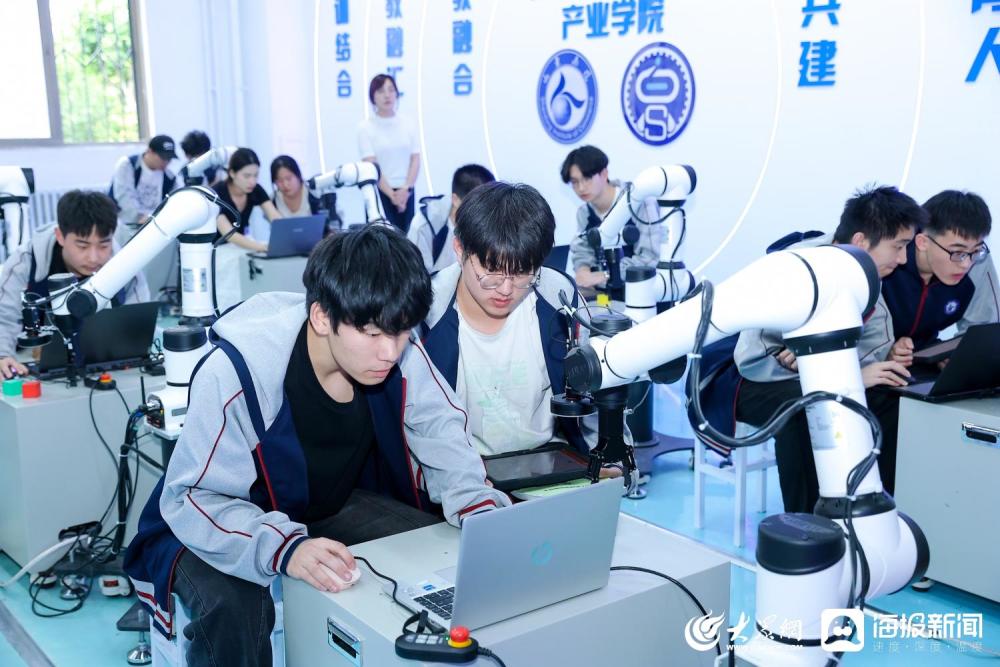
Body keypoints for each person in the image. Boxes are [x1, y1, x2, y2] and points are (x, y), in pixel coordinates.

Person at [124, 225, 509, 666]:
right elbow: (193, 496)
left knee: (433, 552)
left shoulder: (397, 346)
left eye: (402, 331)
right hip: (214, 519)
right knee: (236, 607)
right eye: (372, 333)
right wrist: (285, 548)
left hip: (321, 505)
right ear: (322, 317)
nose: (389, 351)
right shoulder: (236, 370)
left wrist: (476, 506)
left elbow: (441, 429)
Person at [734, 186, 927, 511]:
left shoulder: (865, 271)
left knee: (893, 399)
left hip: (826, 374)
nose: (903, 259)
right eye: (898, 246)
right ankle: (807, 525)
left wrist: (849, 371)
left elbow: (876, 346)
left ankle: (878, 509)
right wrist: (834, 372)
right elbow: (756, 357)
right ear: (861, 241)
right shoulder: (795, 267)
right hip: (759, 378)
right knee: (806, 410)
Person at [422, 181, 594, 457]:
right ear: (459, 249)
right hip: (461, 465)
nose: (505, 289)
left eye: (523, 272)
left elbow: (593, 391)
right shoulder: (425, 311)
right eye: (491, 270)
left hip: (550, 458)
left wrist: (603, 458)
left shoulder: (559, 298)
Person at [0, 191, 150, 378]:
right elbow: (4, 316)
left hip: (106, 361)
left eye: (104, 245)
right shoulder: (26, 262)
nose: (93, 258)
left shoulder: (126, 264)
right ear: (60, 236)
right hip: (34, 358)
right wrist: (2, 355)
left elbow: (137, 320)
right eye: (82, 246)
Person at [882, 190, 998, 364]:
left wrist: (957, 358)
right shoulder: (889, 257)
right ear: (923, 242)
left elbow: (983, 331)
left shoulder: (978, 261)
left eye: (976, 250)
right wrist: (883, 351)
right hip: (871, 364)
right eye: (957, 252)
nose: (966, 264)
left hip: (925, 361)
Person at [560, 145, 664, 291]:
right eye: (575, 182)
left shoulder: (638, 202)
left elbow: (650, 258)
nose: (581, 188)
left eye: (587, 178)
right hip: (603, 294)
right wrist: (583, 270)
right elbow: (582, 249)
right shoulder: (584, 213)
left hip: (642, 291)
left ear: (604, 174)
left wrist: (606, 275)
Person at [358, 74, 420, 233]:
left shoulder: (408, 123)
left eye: (391, 90)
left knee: (407, 239)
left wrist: (406, 190)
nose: (387, 95)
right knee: (380, 240)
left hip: (406, 193)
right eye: (380, 91)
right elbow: (372, 165)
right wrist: (392, 196)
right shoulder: (365, 127)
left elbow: (415, 159)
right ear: (372, 97)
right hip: (379, 193)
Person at [407, 164, 494, 274]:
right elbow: (416, 276)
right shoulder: (423, 227)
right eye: (477, 206)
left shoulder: (489, 220)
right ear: (455, 199)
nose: (485, 212)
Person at [212, 148, 282, 252]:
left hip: (241, 246)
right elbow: (229, 234)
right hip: (216, 249)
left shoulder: (255, 189)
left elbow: (276, 219)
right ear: (232, 173)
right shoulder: (217, 193)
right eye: (247, 176)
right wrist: (262, 247)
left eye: (256, 175)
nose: (252, 181)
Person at [109, 135, 178, 233]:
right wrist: (141, 217)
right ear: (150, 151)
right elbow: (124, 196)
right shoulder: (128, 165)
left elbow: (175, 201)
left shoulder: (169, 177)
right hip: (125, 226)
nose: (166, 162)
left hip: (154, 228)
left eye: (169, 159)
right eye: (162, 158)